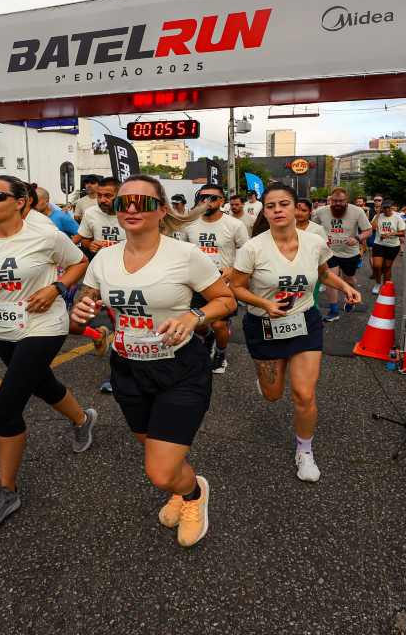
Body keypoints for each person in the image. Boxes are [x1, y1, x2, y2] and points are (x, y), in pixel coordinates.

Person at [71, 174, 235, 547]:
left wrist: (193, 317)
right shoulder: (104, 258)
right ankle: (183, 487)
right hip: (127, 369)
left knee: (160, 472)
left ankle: (193, 494)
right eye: (122, 202)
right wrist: (82, 308)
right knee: (156, 452)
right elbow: (85, 303)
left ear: (161, 210)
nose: (130, 208)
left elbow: (226, 301)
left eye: (143, 202)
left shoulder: (185, 255)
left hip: (180, 369)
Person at [0, 176, 96, 528]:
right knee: (42, 385)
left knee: (5, 408)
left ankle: (6, 491)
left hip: (43, 326)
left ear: (21, 202)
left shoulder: (45, 235)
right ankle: (82, 419)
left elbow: (80, 261)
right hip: (0, 328)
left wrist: (57, 288)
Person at [233, 183, 360, 482]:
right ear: (264, 211)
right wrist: (264, 302)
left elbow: (324, 273)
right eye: (271, 205)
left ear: (295, 208)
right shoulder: (252, 248)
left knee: (304, 394)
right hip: (264, 326)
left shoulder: (314, 242)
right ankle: (267, 378)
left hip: (304, 322)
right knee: (273, 395)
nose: (277, 210)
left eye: (283, 204)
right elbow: (236, 287)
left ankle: (304, 450)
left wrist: (345, 287)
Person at [182, 183, 250, 374]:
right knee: (198, 323)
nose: (207, 201)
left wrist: (234, 268)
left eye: (212, 198)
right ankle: (208, 338)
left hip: (223, 283)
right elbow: (182, 251)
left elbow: (247, 253)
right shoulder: (190, 224)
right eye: (203, 197)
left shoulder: (235, 225)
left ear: (222, 201)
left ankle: (220, 354)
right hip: (195, 283)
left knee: (219, 324)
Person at [312, 187, 372, 322]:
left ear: (347, 201)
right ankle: (334, 311)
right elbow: (311, 228)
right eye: (335, 201)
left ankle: (350, 297)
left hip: (350, 253)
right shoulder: (320, 212)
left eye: (341, 201)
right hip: (329, 252)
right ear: (330, 199)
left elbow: (368, 231)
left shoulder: (357, 211)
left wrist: (357, 238)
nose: (337, 204)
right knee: (330, 280)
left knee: (349, 279)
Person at [74, 176, 124, 253]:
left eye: (108, 196)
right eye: (99, 195)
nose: (102, 200)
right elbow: (84, 239)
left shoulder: (132, 213)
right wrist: (90, 245)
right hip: (100, 261)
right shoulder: (90, 213)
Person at [369, 200, 405, 295]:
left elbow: (403, 232)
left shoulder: (397, 218)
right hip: (379, 244)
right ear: (382, 208)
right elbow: (372, 228)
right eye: (384, 208)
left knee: (387, 267)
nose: (387, 209)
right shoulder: (378, 216)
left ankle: (386, 286)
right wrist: (377, 214)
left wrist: (392, 233)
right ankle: (377, 283)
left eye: (389, 207)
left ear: (392, 207)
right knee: (376, 266)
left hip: (392, 246)